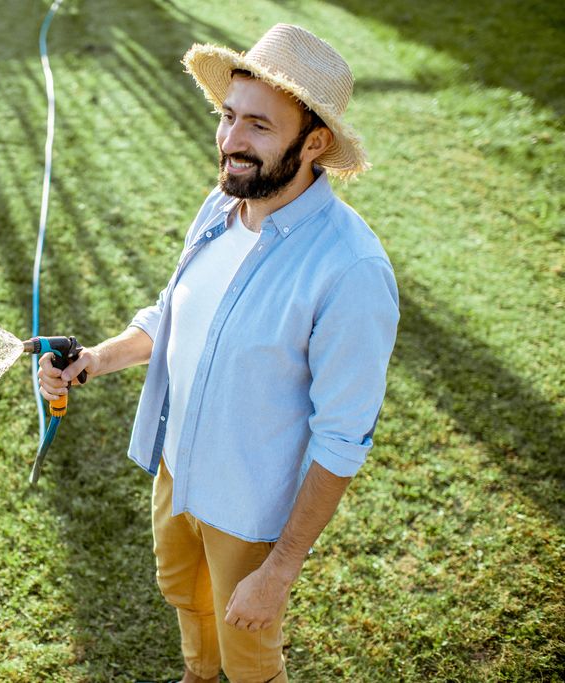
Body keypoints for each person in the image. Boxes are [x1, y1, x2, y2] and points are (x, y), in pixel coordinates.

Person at [37, 23, 400, 683]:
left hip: (250, 505)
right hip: (178, 471)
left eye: (259, 126)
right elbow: (173, 313)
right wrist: (96, 357)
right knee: (187, 600)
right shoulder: (222, 205)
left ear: (314, 142)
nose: (231, 141)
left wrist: (278, 569)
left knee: (249, 654)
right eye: (229, 116)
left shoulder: (350, 269)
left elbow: (343, 438)